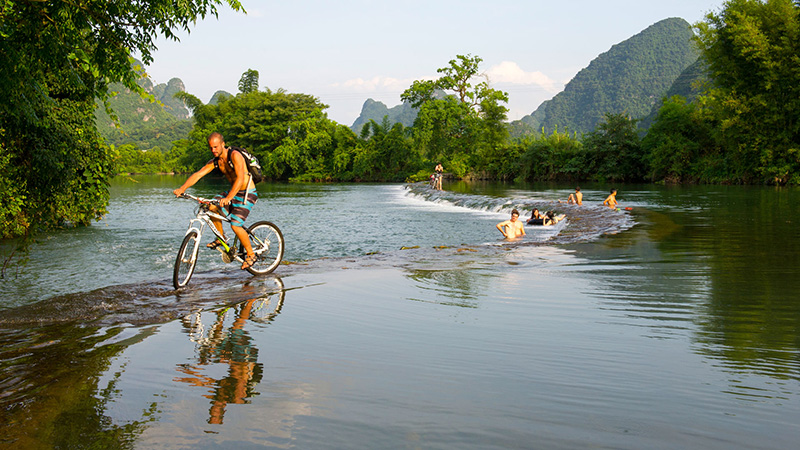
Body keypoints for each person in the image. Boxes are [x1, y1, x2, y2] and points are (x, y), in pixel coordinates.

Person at [173, 132, 259, 270]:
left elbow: (241, 179)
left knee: (236, 225)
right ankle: (222, 238)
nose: (213, 150)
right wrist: (182, 188)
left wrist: (229, 198)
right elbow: (199, 174)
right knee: (211, 207)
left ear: (223, 144)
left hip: (246, 193)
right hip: (232, 192)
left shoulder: (235, 155)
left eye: (216, 147)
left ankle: (251, 254)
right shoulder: (216, 162)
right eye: (211, 148)